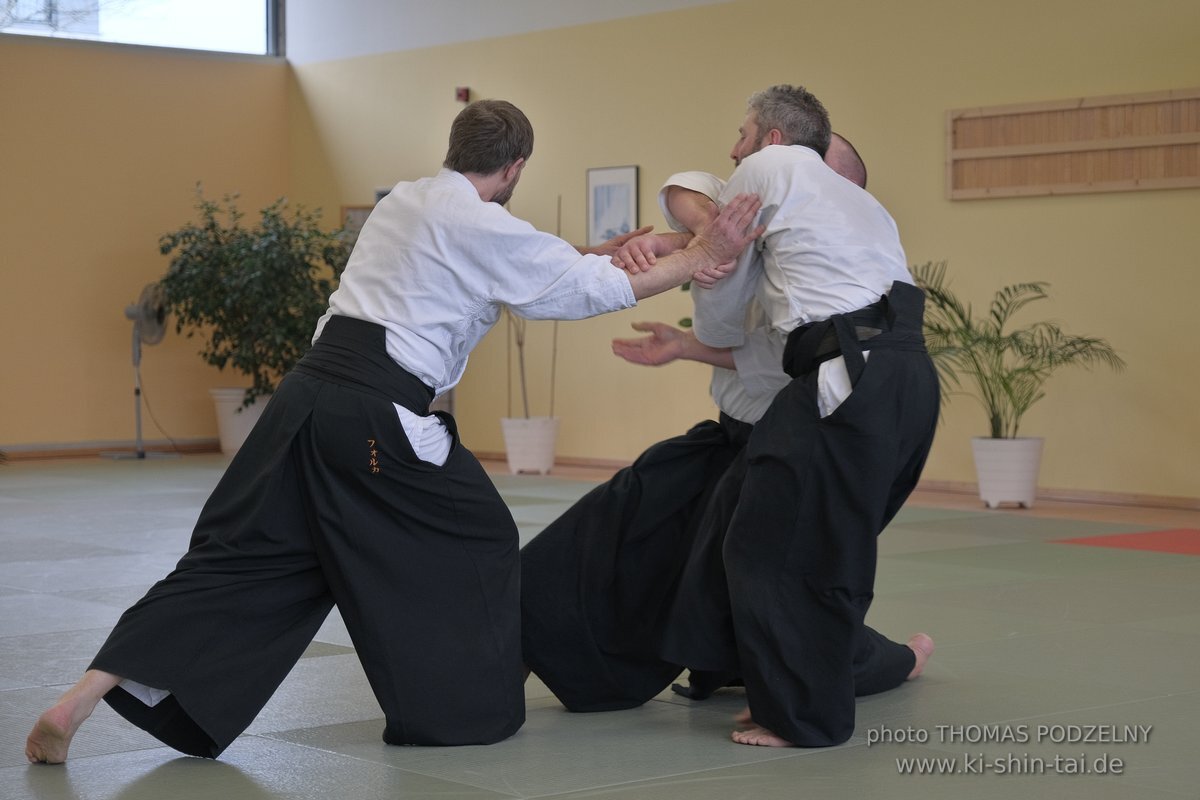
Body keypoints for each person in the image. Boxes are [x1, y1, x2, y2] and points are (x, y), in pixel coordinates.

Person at [25, 98, 764, 764]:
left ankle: (79, 699)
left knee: (241, 556)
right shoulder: (484, 224)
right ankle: (454, 710)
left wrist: (620, 249)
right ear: (515, 168)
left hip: (303, 401)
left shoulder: (405, 201)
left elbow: (519, 258)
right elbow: (577, 291)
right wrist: (705, 254)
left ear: (455, 148)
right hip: (373, 415)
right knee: (480, 536)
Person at [520, 131, 932, 719]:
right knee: (619, 514)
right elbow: (683, 186)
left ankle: (895, 661)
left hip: (779, 441)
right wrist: (696, 240)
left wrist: (690, 331)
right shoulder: (751, 198)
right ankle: (520, 645)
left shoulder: (836, 270)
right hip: (727, 434)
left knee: (753, 576)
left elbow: (772, 358)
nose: (737, 155)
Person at [675, 85, 939, 748]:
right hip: (905, 378)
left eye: (740, 135)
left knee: (777, 544)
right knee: (745, 513)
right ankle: (754, 677)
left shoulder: (768, 168)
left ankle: (800, 717)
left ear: (770, 137)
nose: (731, 150)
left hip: (846, 376)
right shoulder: (864, 203)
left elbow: (725, 293)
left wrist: (701, 274)